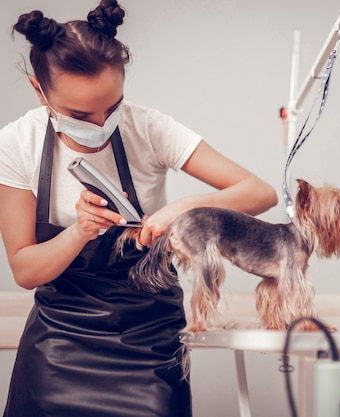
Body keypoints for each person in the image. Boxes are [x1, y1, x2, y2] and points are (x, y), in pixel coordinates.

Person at [0, 1, 277, 416]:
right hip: (59, 345)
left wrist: (182, 209)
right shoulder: (16, 144)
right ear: (39, 90)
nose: (98, 126)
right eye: (79, 114)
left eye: (111, 108)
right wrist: (80, 231)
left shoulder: (148, 128)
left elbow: (260, 192)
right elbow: (24, 269)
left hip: (148, 342)